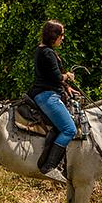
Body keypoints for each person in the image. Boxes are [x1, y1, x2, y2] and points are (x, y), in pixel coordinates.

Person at [28, 20, 77, 183]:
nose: (63, 38)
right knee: (70, 129)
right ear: (53, 36)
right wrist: (67, 76)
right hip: (47, 96)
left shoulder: (43, 50)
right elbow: (56, 76)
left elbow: (50, 76)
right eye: (61, 35)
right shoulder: (48, 53)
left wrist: (67, 87)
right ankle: (49, 166)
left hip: (47, 92)